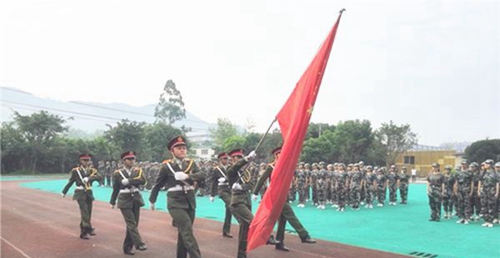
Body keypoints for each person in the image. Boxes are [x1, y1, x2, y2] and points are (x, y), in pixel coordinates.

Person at [149, 136, 206, 258]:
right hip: (175, 202)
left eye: (184, 148)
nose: (182, 150)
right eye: (179, 148)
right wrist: (152, 200)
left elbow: (202, 175)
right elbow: (157, 184)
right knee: (186, 229)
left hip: (190, 201)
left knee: (183, 233)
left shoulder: (191, 163)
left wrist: (187, 177)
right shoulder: (166, 166)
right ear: (172, 151)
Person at [252, 147, 316, 252]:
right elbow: (261, 179)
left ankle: (279, 242)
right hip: (275, 196)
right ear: (276, 156)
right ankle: (304, 235)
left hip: (284, 195)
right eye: (279, 154)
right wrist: (255, 192)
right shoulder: (271, 167)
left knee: (283, 220)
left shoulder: (286, 166)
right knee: (290, 214)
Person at [109, 151, 147, 255]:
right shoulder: (117, 173)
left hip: (136, 198)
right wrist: (112, 201)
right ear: (124, 161)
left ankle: (127, 247)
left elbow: (143, 181)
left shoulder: (138, 170)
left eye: (133, 159)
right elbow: (116, 188)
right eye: (129, 159)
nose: (131, 161)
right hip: (124, 199)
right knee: (131, 223)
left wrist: (129, 181)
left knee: (134, 224)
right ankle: (139, 243)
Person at [61, 153, 102, 239]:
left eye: (88, 160)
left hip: (89, 192)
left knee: (88, 212)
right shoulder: (76, 171)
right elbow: (71, 181)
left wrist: (89, 178)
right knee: (84, 211)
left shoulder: (92, 170)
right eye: (85, 160)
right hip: (80, 192)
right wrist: (64, 191)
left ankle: (83, 233)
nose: (87, 162)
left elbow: (99, 177)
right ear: (81, 161)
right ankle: (89, 228)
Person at [226, 148, 256, 258]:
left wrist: (241, 186)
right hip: (238, 202)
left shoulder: (246, 171)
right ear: (233, 159)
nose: (239, 159)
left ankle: (241, 255)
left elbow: (251, 184)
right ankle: (267, 237)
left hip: (246, 201)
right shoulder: (231, 170)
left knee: (245, 229)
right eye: (238, 158)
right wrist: (246, 159)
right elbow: (234, 168)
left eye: (240, 157)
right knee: (252, 220)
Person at [209, 152, 234, 238]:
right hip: (222, 190)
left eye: (227, 159)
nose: (226, 160)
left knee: (229, 209)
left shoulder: (231, 168)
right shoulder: (217, 169)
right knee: (231, 205)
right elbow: (213, 182)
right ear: (220, 160)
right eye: (224, 159)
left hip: (230, 189)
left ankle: (226, 230)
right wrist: (212, 194)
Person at [478, 159, 499, 227]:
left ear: (491, 164)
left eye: (488, 163)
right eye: (486, 163)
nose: (486, 165)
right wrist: (479, 190)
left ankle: (490, 221)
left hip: (491, 190)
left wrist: (497, 192)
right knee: (484, 205)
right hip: (484, 190)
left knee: (491, 205)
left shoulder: (495, 173)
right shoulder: (483, 172)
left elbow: (497, 183)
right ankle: (486, 220)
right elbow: (480, 182)